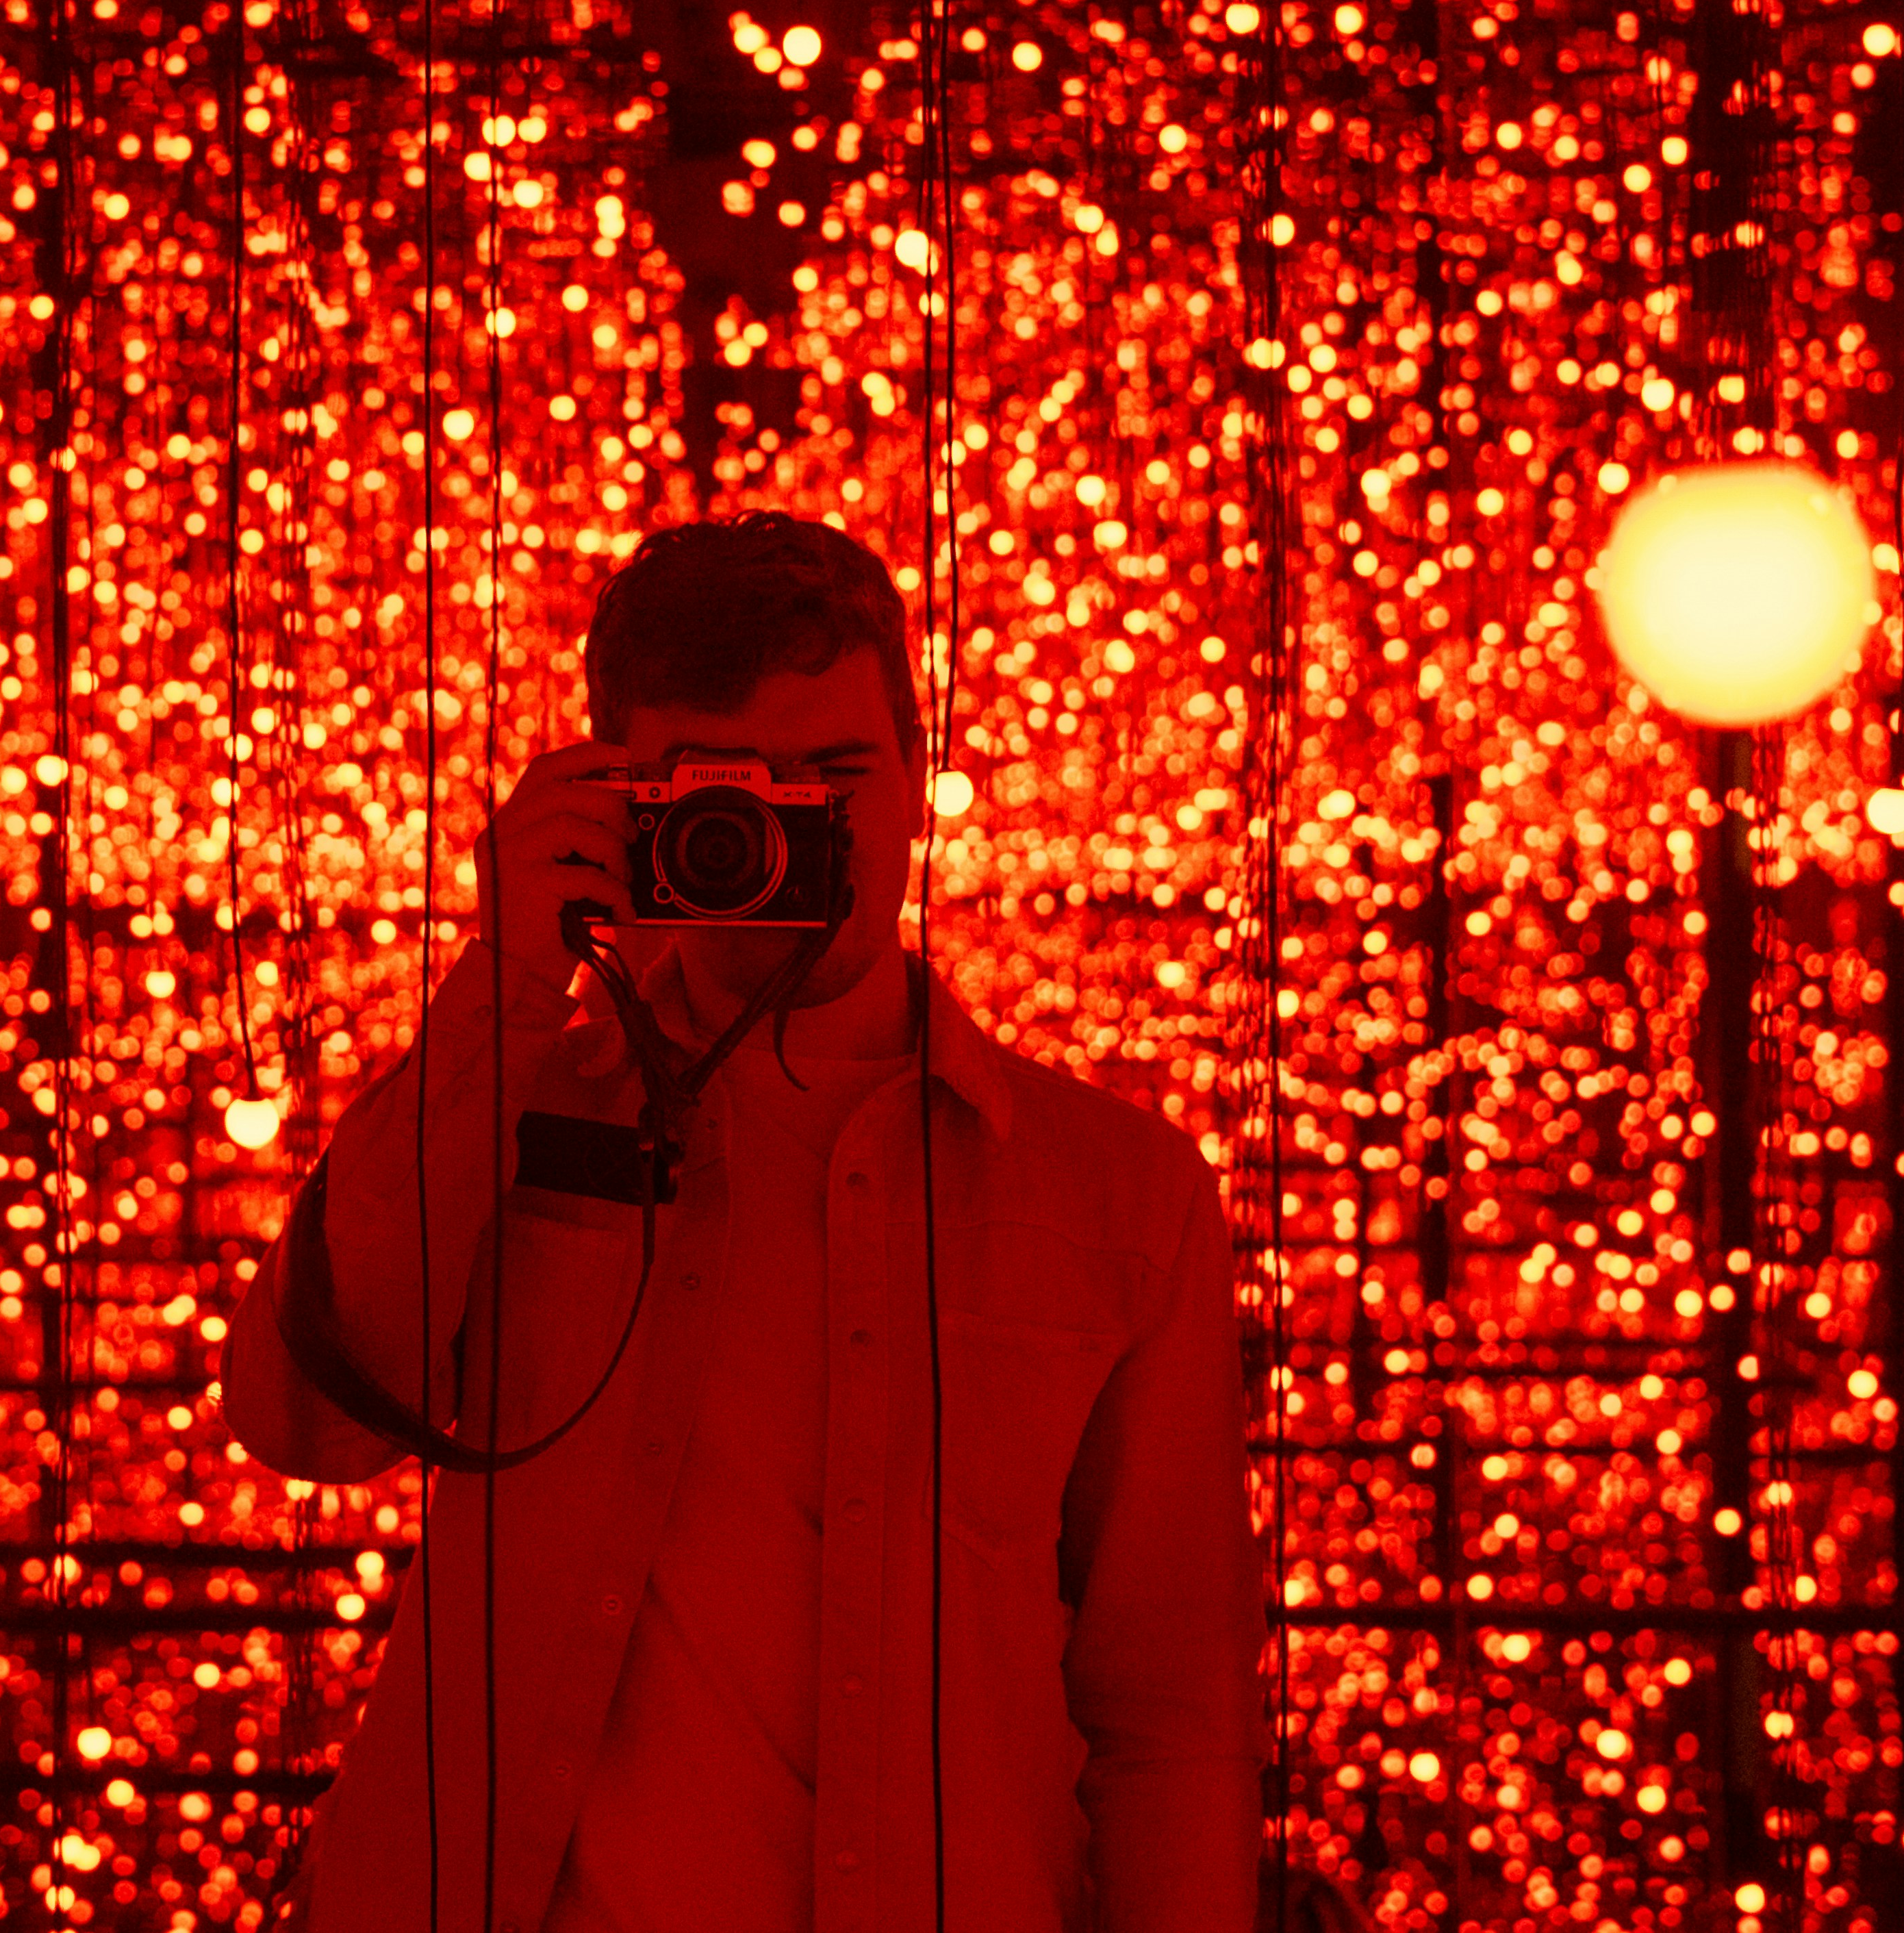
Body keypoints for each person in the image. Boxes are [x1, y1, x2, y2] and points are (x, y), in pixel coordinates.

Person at [223, 511, 1260, 1933]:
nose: (783, 831)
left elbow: (1172, 1704)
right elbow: (304, 1420)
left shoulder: (1115, 1193)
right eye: (721, 792)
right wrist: (504, 985)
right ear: (619, 798)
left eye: (833, 774)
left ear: (915, 775)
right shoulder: (510, 1107)